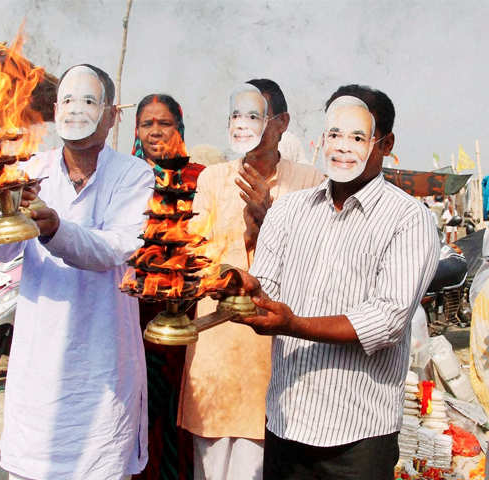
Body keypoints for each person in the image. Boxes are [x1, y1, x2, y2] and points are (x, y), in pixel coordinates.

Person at [223, 85, 439, 479]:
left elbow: (387, 319)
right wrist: (241, 285)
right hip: (287, 422)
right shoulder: (289, 210)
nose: (342, 146)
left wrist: (294, 325)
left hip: (358, 435)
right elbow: (267, 285)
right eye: (334, 134)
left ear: (385, 143)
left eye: (357, 137)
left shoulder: (408, 218)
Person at [0, 64, 154, 480]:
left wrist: (55, 228)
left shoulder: (135, 174)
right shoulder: (29, 169)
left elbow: (116, 247)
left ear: (112, 115)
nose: (78, 110)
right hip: (39, 365)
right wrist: (7, 204)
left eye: (90, 101)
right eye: (70, 101)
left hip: (104, 365)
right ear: (56, 108)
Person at [178, 79, 324, 480]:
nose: (245, 125)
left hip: (274, 350)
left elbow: (315, 264)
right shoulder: (212, 179)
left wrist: (267, 222)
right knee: (209, 464)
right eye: (238, 116)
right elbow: (197, 253)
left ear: (281, 123)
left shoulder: (309, 183)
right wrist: (225, 269)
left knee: (258, 465)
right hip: (216, 347)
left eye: (255, 116)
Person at [131, 93, 195, 480]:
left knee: (181, 408)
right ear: (136, 131)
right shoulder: (124, 177)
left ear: (180, 127)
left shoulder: (198, 176)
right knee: (141, 408)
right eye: (147, 123)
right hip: (135, 311)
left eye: (165, 123)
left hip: (185, 313)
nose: (156, 131)